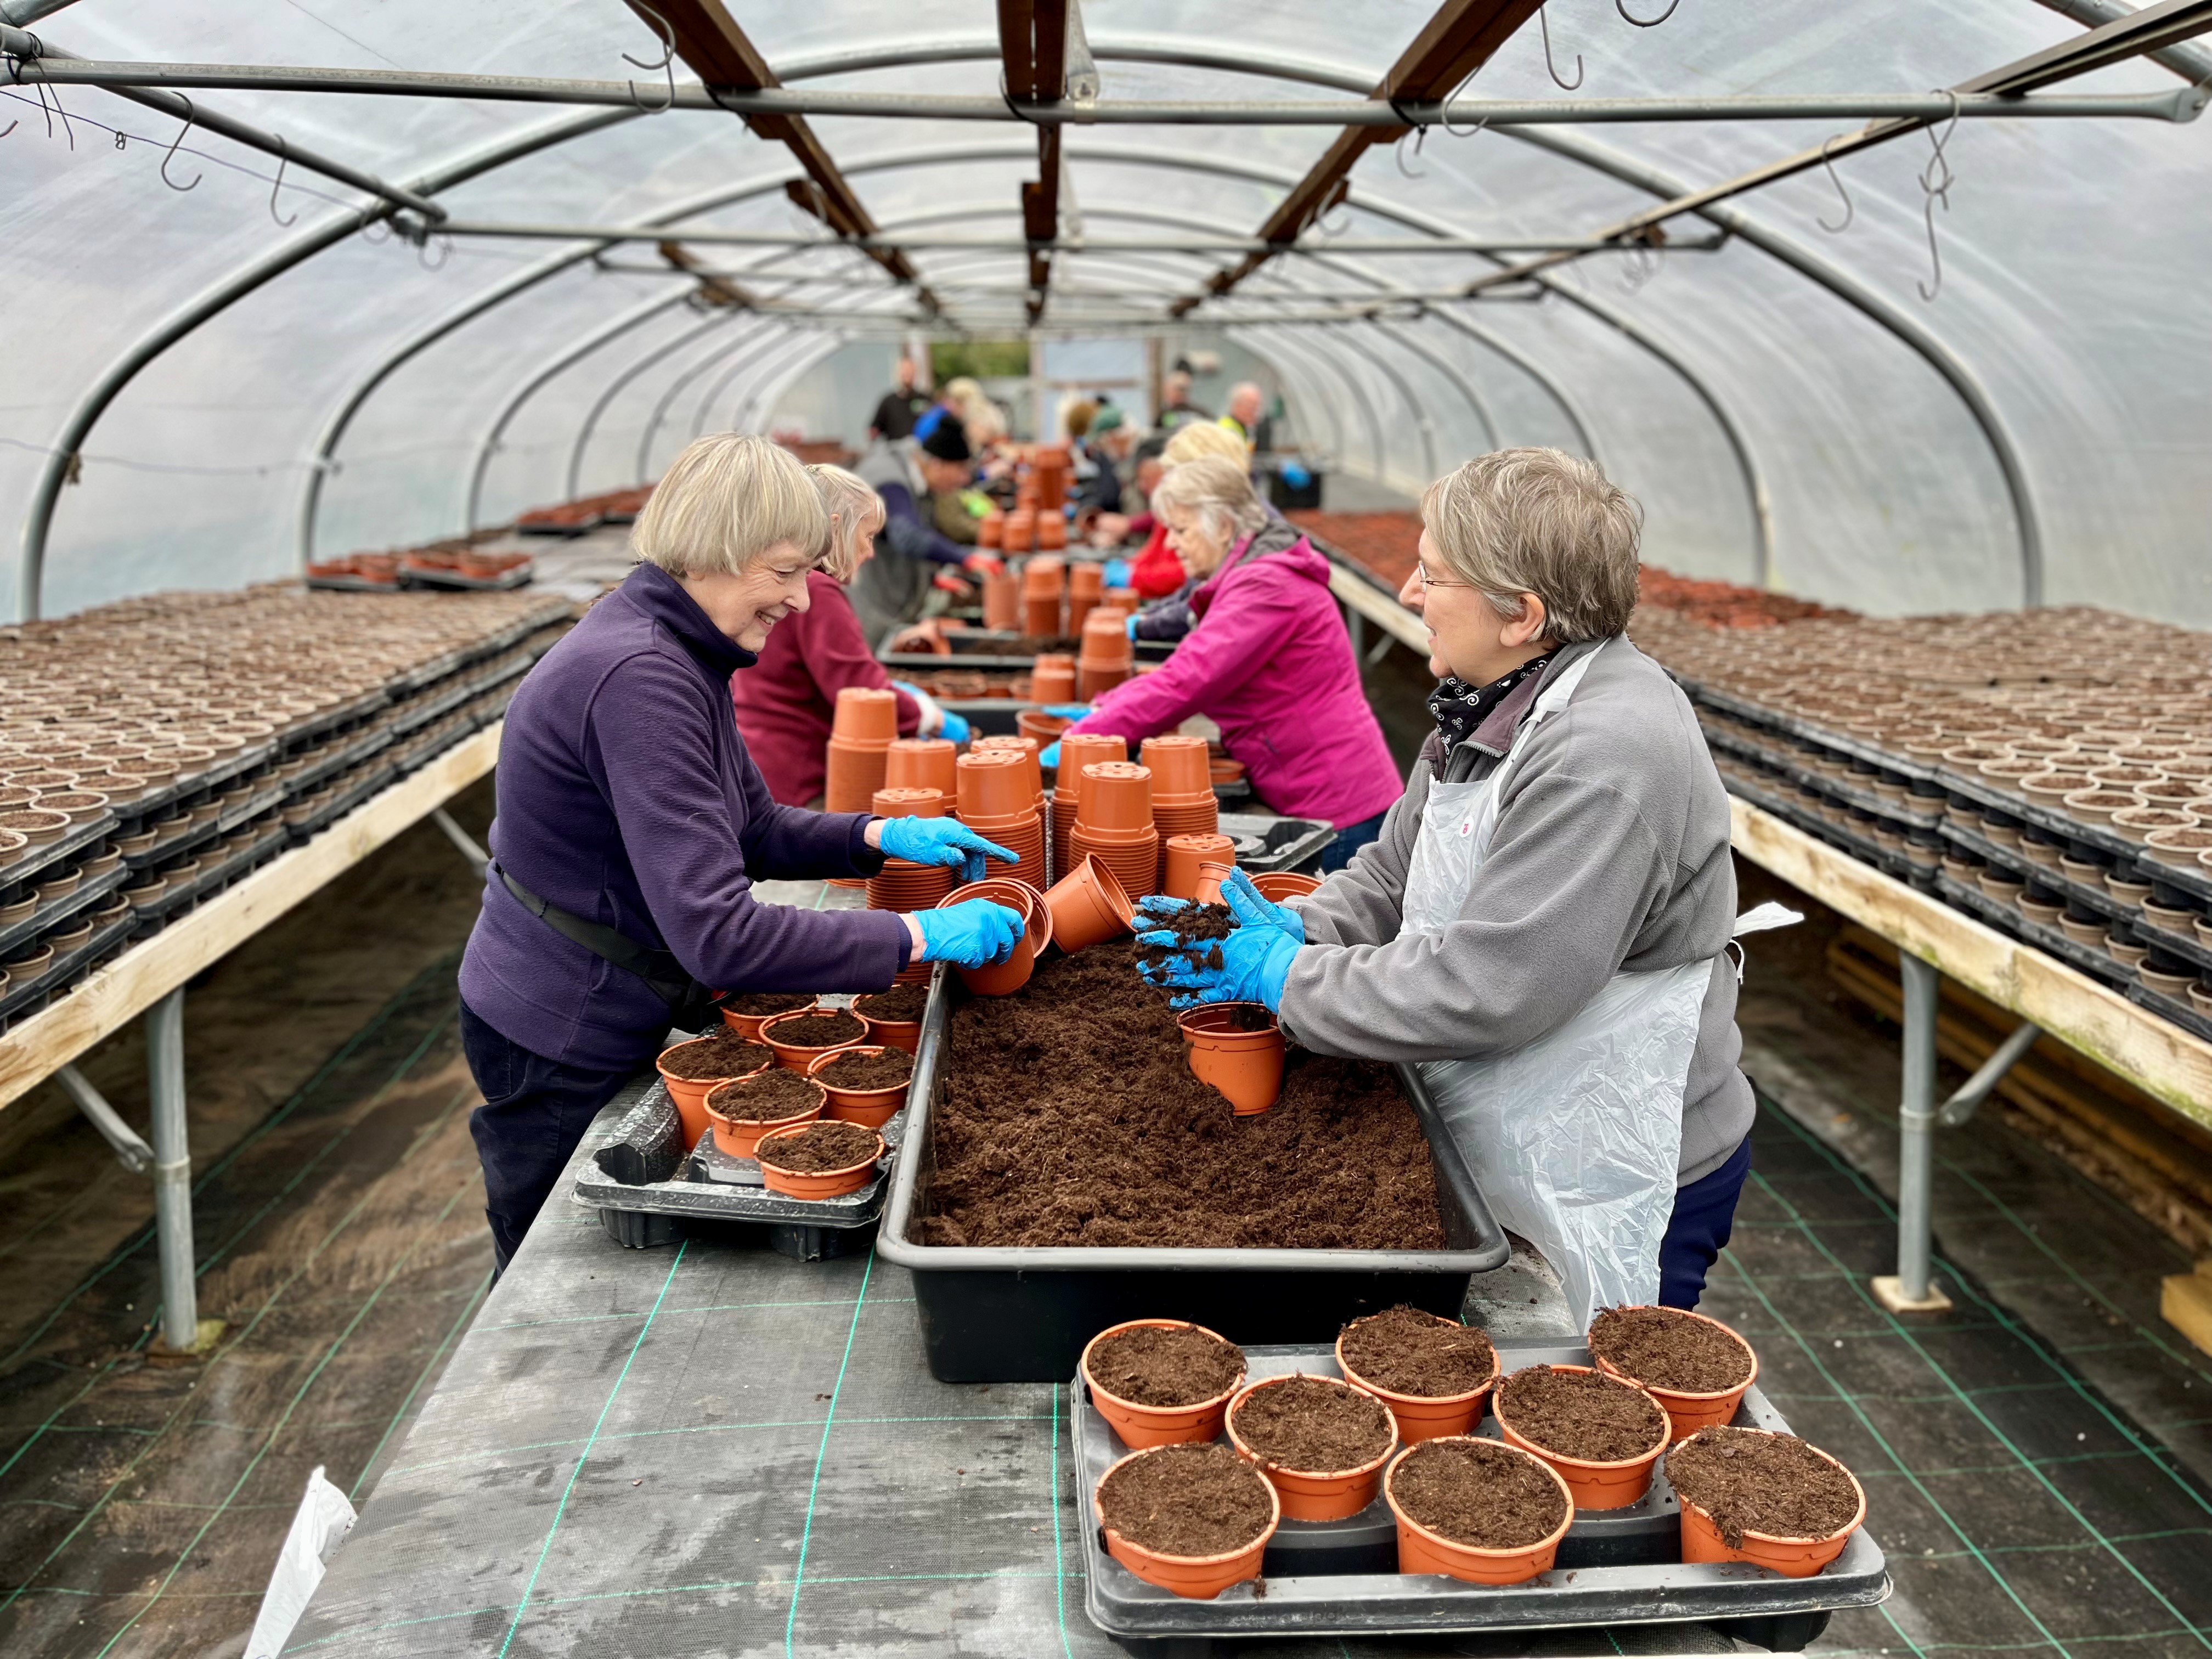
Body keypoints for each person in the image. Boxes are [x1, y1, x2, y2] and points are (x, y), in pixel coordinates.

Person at [1137, 448, 1755, 1329]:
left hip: (1621, 1151)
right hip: (1520, 1106)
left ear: (1522, 615)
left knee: (1595, 1397)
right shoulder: (1493, 701)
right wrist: (1294, 926)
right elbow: (1394, 873)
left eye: (1431, 577)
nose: (1407, 596)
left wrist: (1285, 980)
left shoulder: (1602, 754)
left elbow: (1488, 986)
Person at [456, 434, 1023, 1269]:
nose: (801, 601)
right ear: (721, 550)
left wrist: (875, 836)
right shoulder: (641, 678)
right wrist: (915, 938)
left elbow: (753, 829)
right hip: (558, 1022)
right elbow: (719, 935)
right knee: (558, 1266)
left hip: (611, 986)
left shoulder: (684, 652)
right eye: (788, 570)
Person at [1049, 455, 1400, 869]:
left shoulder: (1266, 585)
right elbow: (1185, 667)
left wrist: (1085, 736)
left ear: (1226, 527)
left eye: (1181, 530)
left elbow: (1188, 679)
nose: (1173, 543)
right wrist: (1106, 707)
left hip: (1337, 802)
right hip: (1313, 785)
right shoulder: (1250, 577)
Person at [731, 464, 972, 806]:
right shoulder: (817, 593)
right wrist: (928, 717)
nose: (871, 552)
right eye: (868, 535)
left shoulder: (778, 581)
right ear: (835, 527)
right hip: (800, 776)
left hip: (766, 760)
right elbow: (858, 688)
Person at [849, 421, 1000, 643]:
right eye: (960, 470)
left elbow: (898, 534)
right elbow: (906, 535)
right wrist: (965, 558)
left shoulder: (916, 477)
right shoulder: (890, 480)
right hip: (869, 605)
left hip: (891, 599)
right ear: (937, 465)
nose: (965, 480)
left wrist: (929, 577)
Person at [869, 355, 930, 442]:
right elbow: (875, 429)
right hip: (895, 450)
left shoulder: (926, 399)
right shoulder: (888, 402)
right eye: (904, 370)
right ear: (898, 373)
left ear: (916, 373)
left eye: (910, 370)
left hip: (921, 449)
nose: (907, 373)